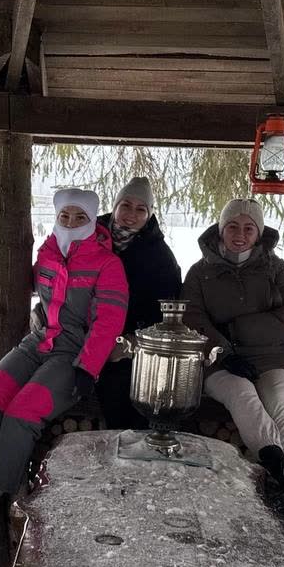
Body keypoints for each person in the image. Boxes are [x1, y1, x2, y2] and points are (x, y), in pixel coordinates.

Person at [0, 189, 128, 524]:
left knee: (23, 411)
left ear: (92, 220)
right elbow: (26, 282)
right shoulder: (49, 253)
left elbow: (109, 321)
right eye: (64, 216)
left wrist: (88, 367)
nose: (71, 223)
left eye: (80, 217)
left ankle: (2, 495)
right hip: (39, 341)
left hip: (74, 353)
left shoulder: (107, 264)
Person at [181, 198, 284, 528]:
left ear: (259, 233)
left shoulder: (275, 268)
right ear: (221, 230)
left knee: (279, 405)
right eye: (232, 226)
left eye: (248, 228)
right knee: (243, 395)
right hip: (218, 359)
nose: (239, 234)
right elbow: (193, 317)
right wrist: (224, 349)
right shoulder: (200, 272)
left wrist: (236, 329)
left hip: (272, 356)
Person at [94, 176, 182, 429]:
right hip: (88, 331)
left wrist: (132, 340)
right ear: (115, 206)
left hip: (131, 340)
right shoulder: (90, 238)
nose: (131, 215)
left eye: (140, 209)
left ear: (149, 214)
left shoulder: (159, 255)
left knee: (125, 383)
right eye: (126, 206)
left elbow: (166, 308)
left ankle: (129, 443)